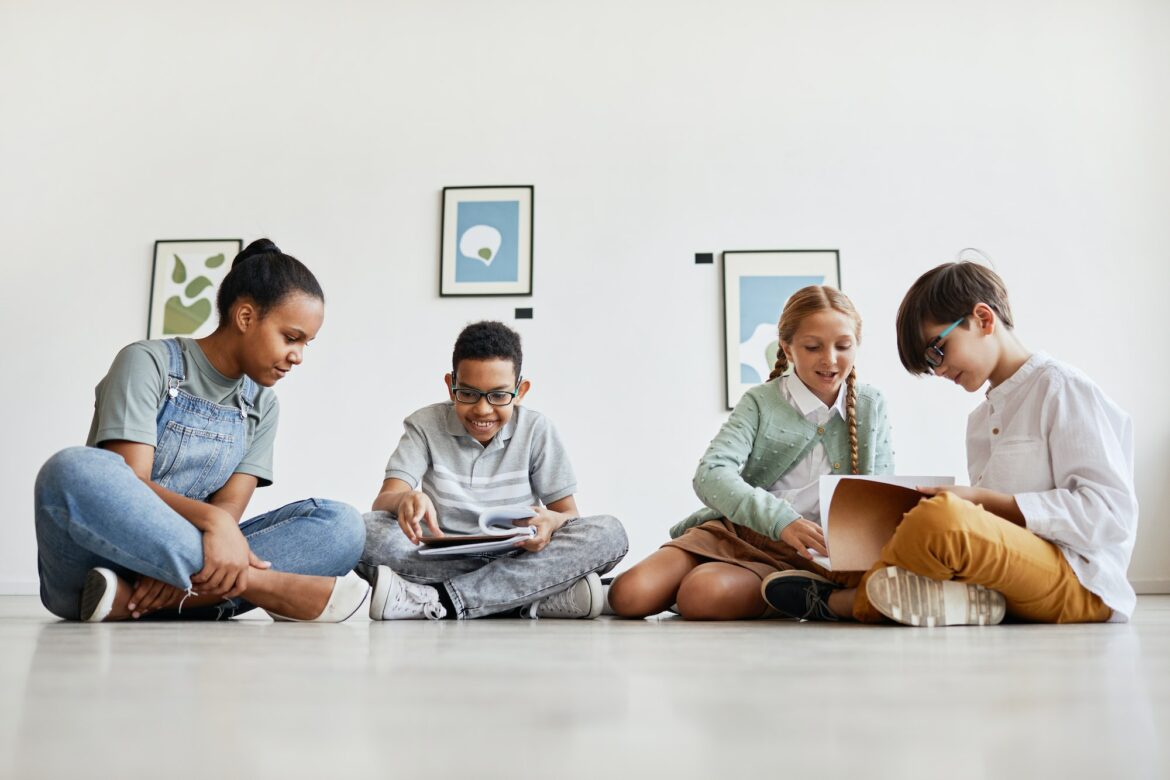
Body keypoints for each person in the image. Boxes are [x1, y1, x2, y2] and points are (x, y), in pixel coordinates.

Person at [761, 261, 1137, 626]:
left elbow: (1110, 513)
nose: (938, 370)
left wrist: (981, 501)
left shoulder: (1062, 388)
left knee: (942, 519)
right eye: (929, 364)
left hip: (1079, 581)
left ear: (983, 319)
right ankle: (939, 598)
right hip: (1009, 577)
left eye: (937, 351)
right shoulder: (979, 422)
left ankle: (841, 602)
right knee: (874, 534)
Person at [34, 239, 368, 623]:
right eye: (291, 338)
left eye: (306, 343)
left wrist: (220, 522)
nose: (298, 356)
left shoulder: (262, 404)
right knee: (72, 470)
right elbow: (131, 481)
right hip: (96, 562)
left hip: (190, 568)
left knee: (342, 525)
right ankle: (261, 586)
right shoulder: (147, 362)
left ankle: (134, 602)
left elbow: (228, 510)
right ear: (245, 317)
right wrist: (214, 522)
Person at [608, 286, 894, 620]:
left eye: (843, 346)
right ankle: (700, 585)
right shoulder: (761, 401)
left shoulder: (871, 405)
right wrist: (782, 521)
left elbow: (882, 496)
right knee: (627, 595)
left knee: (702, 596)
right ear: (787, 347)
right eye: (813, 346)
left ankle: (798, 594)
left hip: (809, 556)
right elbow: (711, 474)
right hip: (738, 531)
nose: (830, 359)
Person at [360, 320, 628, 620]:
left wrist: (551, 522)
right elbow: (385, 500)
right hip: (445, 557)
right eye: (469, 394)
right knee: (364, 531)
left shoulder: (537, 430)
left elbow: (569, 516)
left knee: (609, 532)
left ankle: (441, 600)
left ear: (520, 390)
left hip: (520, 555)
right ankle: (528, 599)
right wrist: (404, 500)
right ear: (451, 386)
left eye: (499, 396)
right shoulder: (424, 425)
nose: (483, 410)